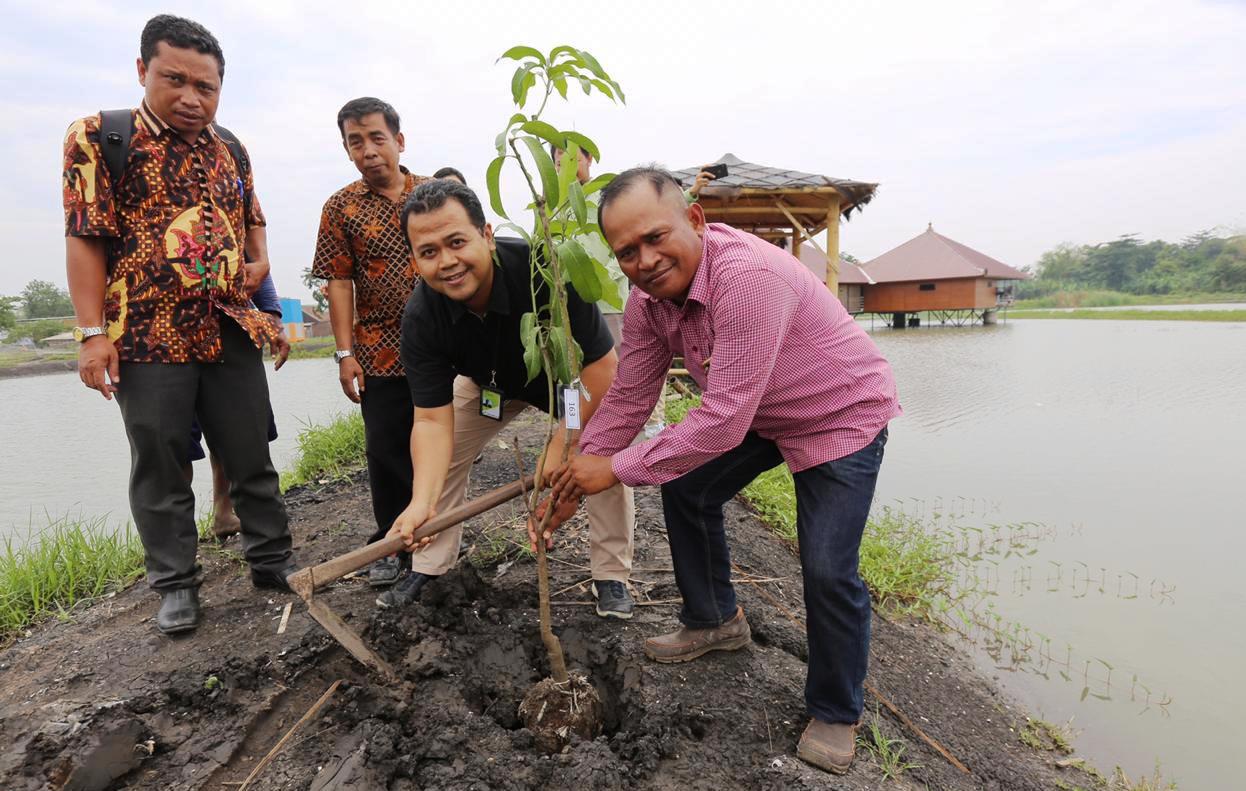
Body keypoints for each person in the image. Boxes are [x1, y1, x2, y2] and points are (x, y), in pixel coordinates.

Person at [543, 167, 900, 775]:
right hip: (763, 408)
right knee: (688, 487)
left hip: (838, 409)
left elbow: (725, 419)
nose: (645, 261)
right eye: (627, 252)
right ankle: (713, 620)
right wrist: (580, 473)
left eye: (655, 238)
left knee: (826, 566)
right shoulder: (648, 301)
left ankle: (837, 710)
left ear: (695, 220)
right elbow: (630, 393)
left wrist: (618, 468)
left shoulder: (747, 278)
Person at [62, 14, 298, 635]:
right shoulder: (101, 137)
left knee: (249, 449)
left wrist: (260, 270)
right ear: (143, 70)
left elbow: (252, 216)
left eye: (206, 86)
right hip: (145, 332)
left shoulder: (231, 147)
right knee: (162, 462)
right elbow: (85, 237)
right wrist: (92, 334)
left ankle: (272, 560)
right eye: (175, 80)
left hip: (229, 324)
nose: (192, 98)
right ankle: (175, 584)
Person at [387, 179, 637, 619]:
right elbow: (430, 421)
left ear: (486, 235)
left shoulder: (545, 271)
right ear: (415, 261)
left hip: (567, 382)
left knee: (600, 451)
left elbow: (602, 370)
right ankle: (430, 565)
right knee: (443, 459)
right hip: (491, 386)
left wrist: (563, 444)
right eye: (429, 252)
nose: (447, 262)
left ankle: (611, 574)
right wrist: (421, 500)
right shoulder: (422, 316)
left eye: (456, 242)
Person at [312, 97, 429, 589]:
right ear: (347, 149)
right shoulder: (341, 207)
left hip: (440, 345)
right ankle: (389, 541)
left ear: (398, 141)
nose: (368, 150)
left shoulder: (434, 195)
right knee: (385, 449)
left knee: (437, 444)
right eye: (355, 142)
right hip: (379, 348)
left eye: (377, 138)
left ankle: (435, 538)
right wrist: (345, 354)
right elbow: (338, 282)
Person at [186, 272, 289, 540]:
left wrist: (271, 316)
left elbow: (256, 264)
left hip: (229, 322)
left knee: (234, 431)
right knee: (175, 442)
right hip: (161, 330)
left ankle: (224, 512)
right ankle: (178, 541)